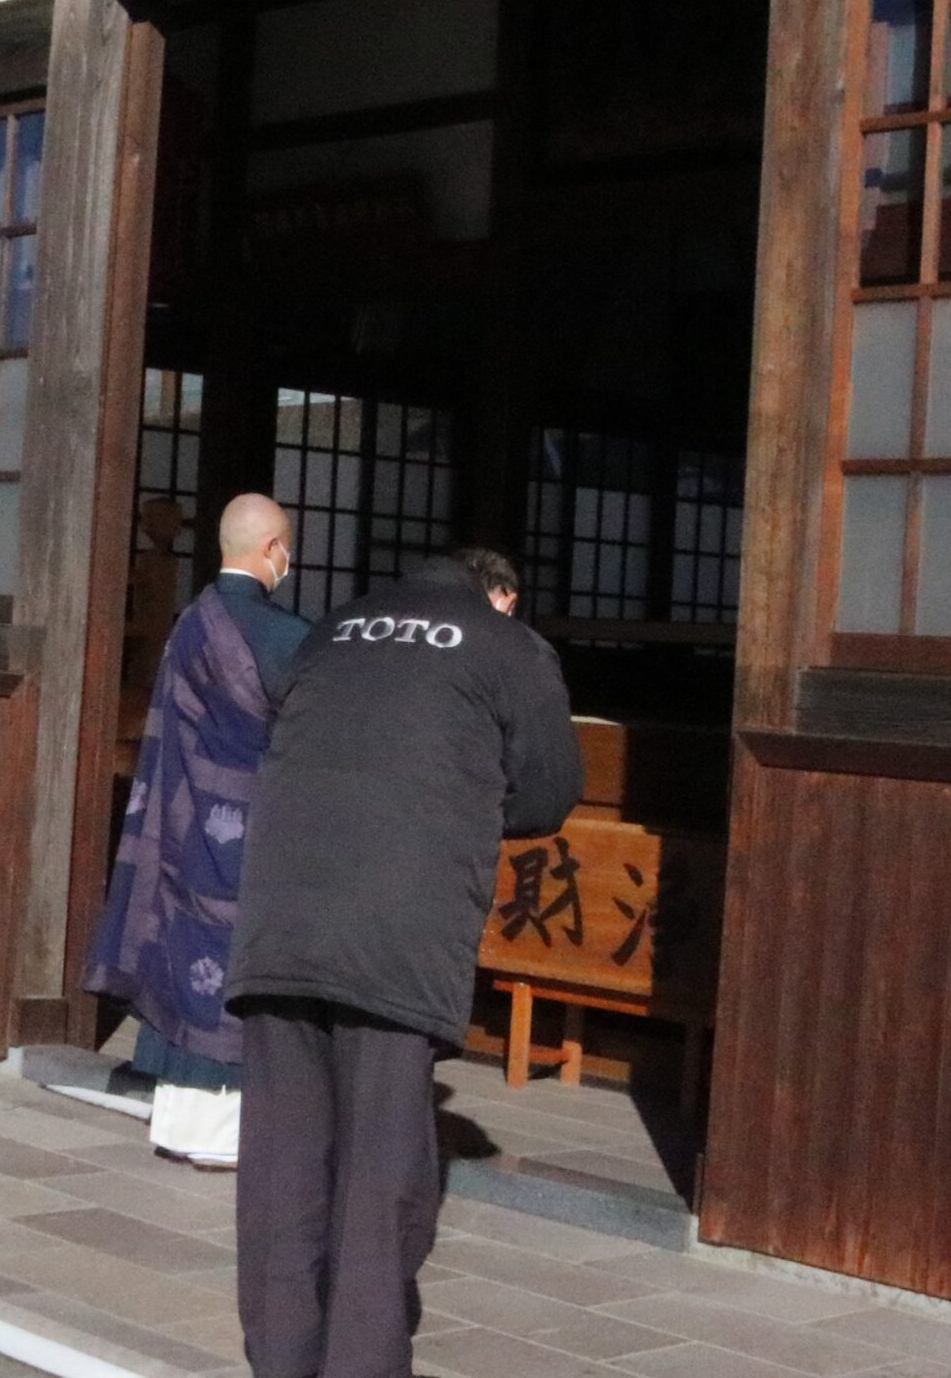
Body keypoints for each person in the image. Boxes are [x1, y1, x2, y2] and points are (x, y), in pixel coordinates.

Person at [227, 547, 580, 1378]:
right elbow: (551, 789)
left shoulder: (331, 631)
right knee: (381, 1171)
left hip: (280, 913)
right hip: (395, 925)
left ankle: (281, 1360)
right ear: (500, 596)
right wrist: (463, 798)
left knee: (282, 1162)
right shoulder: (507, 647)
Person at [84, 493, 308, 1169]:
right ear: (274, 550)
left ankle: (181, 1122)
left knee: (189, 956)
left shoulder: (190, 623)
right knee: (240, 966)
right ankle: (228, 1133)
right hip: (254, 832)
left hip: (186, 827)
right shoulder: (284, 638)